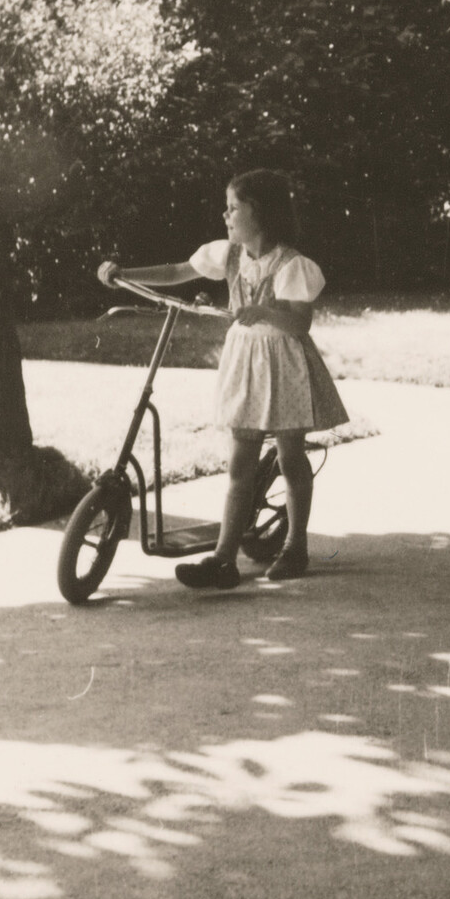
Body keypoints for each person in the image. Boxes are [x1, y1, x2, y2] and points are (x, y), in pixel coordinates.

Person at [98, 169, 346, 590]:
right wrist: (126, 274)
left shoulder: (291, 265)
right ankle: (224, 558)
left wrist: (265, 312)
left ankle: (295, 545)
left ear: (260, 213)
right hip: (246, 363)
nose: (226, 215)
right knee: (240, 462)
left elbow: (299, 324)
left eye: (233, 208)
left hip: (284, 364)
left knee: (290, 456)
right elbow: (178, 271)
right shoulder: (228, 255)